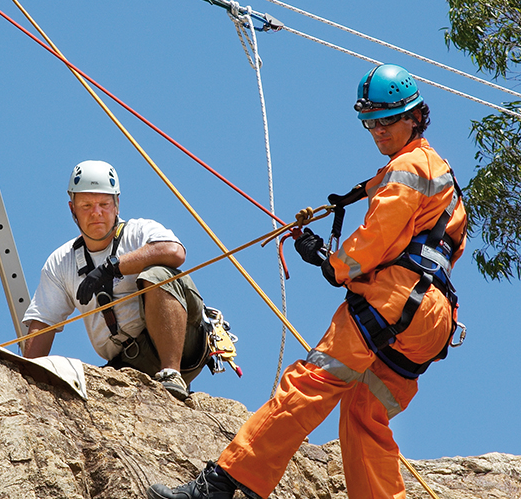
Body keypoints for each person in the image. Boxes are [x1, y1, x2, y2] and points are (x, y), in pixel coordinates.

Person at [147, 64, 467, 499]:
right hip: (432, 320)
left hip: (396, 301)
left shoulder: (408, 167)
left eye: (386, 120)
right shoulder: (436, 172)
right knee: (363, 416)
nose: (377, 131)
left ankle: (222, 484)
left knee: (309, 382)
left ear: (414, 116)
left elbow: (374, 241)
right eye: (370, 122)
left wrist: (332, 263)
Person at [22, 160, 210, 400]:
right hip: (128, 363)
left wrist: (112, 268)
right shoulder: (62, 263)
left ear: (117, 204)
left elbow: (175, 252)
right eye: (86, 205)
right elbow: (42, 323)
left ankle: (171, 375)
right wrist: (25, 380)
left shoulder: (139, 232)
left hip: (185, 344)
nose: (96, 212)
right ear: (72, 209)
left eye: (104, 204)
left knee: (157, 274)